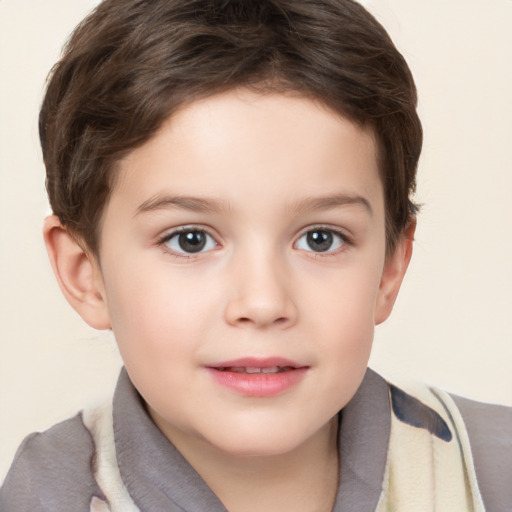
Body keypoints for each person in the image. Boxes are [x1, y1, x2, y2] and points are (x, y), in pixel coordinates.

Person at [1, 0, 510, 510]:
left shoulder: (491, 474)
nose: (264, 302)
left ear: (390, 269)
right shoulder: (44, 496)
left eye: (320, 239)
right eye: (190, 239)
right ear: (86, 274)